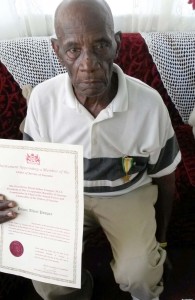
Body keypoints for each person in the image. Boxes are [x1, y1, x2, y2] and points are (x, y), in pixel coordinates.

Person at [0, 0, 181, 299]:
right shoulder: (43, 100)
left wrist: (160, 242)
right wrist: (9, 201)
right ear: (57, 51)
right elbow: (30, 171)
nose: (88, 63)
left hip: (126, 193)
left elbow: (165, 177)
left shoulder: (148, 104)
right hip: (63, 196)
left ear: (117, 44)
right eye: (74, 49)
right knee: (49, 278)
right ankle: (79, 288)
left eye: (100, 46)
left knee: (141, 274)